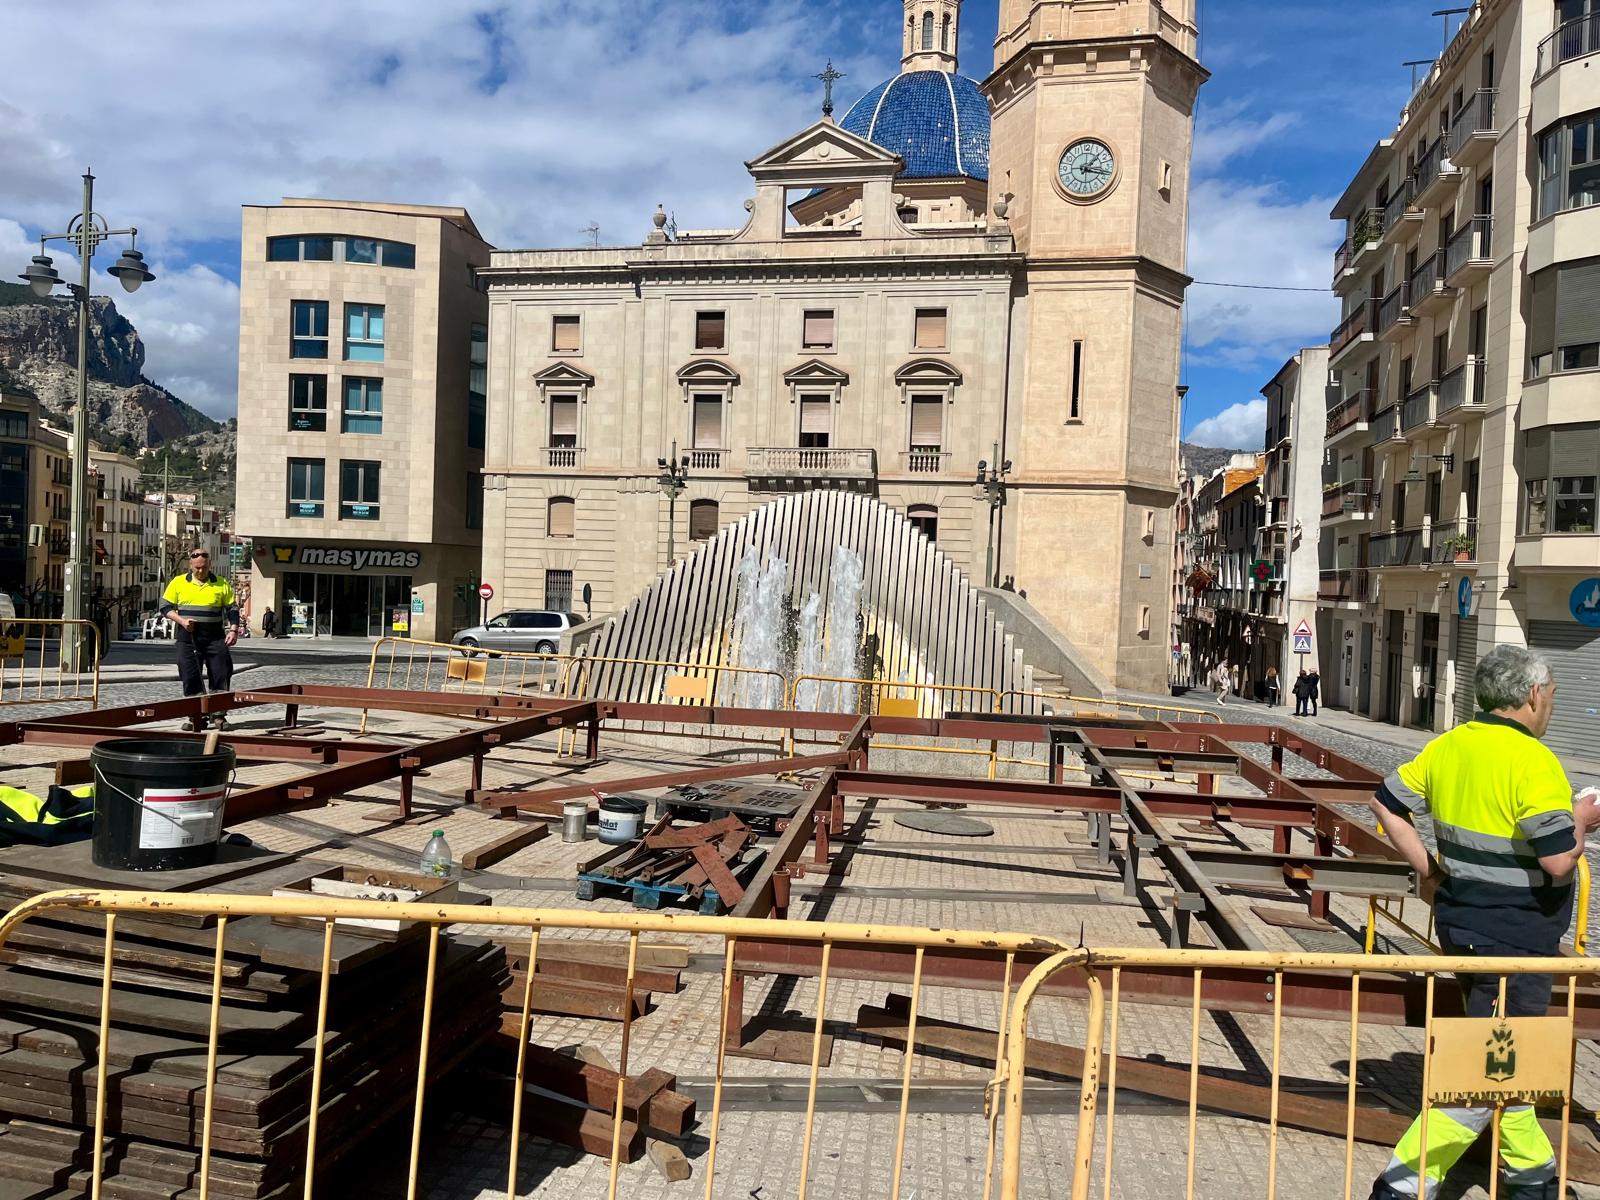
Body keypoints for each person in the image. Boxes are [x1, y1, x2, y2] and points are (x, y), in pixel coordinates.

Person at [1368, 645, 1597, 1200]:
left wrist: (1428, 870)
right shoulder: (1535, 761)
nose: (1551, 705)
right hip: (1514, 940)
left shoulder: (1449, 745)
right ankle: (1399, 1188)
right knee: (1484, 1077)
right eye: (1552, 695)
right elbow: (1558, 861)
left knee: (1514, 1065)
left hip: (1462, 924)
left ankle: (1533, 1183)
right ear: (1532, 695)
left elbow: (1384, 804)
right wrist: (1584, 820)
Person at [160, 548, 240, 731]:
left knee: (221, 673)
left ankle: (219, 715)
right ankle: (195, 715)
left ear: (209, 564)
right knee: (190, 675)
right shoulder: (178, 583)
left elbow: (232, 609)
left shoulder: (221, 583)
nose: (200, 571)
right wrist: (181, 620)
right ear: (190, 565)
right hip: (187, 638)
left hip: (215, 638)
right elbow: (164, 607)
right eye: (197, 568)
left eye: (203, 567)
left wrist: (233, 630)